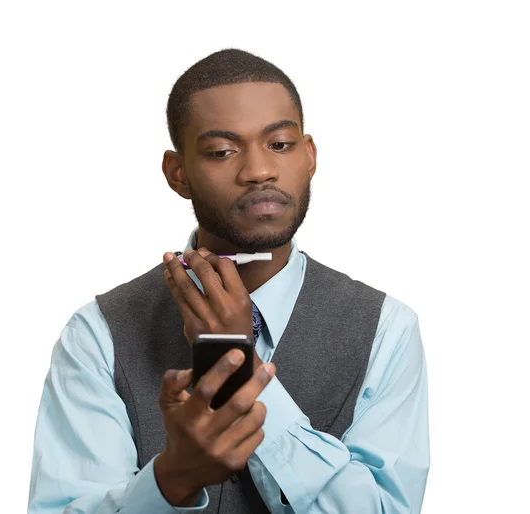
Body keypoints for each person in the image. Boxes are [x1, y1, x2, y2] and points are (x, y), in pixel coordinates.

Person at [28, 48, 430, 514]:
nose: (259, 170)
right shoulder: (98, 334)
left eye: (280, 144)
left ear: (310, 155)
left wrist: (239, 371)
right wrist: (173, 478)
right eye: (221, 151)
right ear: (178, 175)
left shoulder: (386, 329)